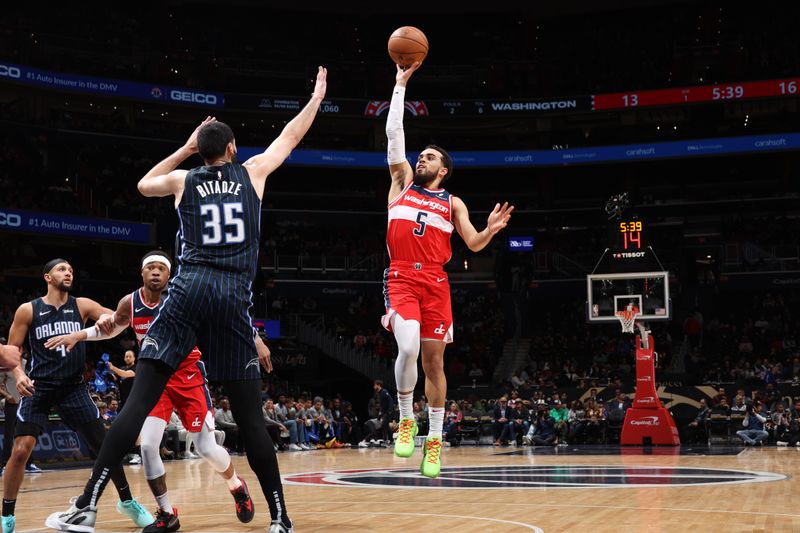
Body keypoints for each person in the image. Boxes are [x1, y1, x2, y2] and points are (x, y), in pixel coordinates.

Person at [47, 67, 328, 533]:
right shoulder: (253, 172)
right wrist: (316, 97)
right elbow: (290, 136)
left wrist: (185, 149)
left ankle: (87, 507)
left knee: (138, 402)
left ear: (203, 149)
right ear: (234, 150)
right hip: (232, 297)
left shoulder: (184, 181)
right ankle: (280, 518)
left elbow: (142, 184)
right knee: (249, 417)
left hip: (189, 289)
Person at [45, 251, 256, 532]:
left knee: (206, 447)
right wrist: (80, 334)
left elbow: (225, 318)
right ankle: (167, 513)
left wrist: (253, 338)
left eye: (161, 269)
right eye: (150, 268)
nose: (156, 272)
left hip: (187, 374)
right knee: (147, 446)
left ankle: (236, 485)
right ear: (142, 273)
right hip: (155, 378)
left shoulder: (182, 299)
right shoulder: (130, 303)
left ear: (169, 276)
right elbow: (111, 329)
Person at [382, 61, 513, 478]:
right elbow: (393, 138)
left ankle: (434, 442)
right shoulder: (401, 181)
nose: (422, 158)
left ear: (443, 170)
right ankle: (407, 419)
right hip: (401, 275)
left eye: (430, 157)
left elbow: (472, 243)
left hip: (436, 282)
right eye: (421, 154)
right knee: (407, 349)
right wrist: (400, 85)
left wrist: (490, 230)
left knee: (434, 365)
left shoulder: (452, 202)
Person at [3, 259, 152, 533]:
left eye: (71, 270)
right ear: (47, 276)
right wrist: (19, 375)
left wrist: (107, 317)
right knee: (21, 450)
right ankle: (7, 516)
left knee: (107, 448)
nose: (68, 273)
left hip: (74, 387)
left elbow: (112, 316)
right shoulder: (28, 310)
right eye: (62, 269)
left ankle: (128, 502)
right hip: (40, 387)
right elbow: (12, 353)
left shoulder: (81, 305)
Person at [0, 358, 41, 475]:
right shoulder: (5, 363)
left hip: (25, 404)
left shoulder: (26, 362)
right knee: (9, 435)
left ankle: (29, 464)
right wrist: (8, 396)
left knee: (27, 434)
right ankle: (5, 464)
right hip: (12, 403)